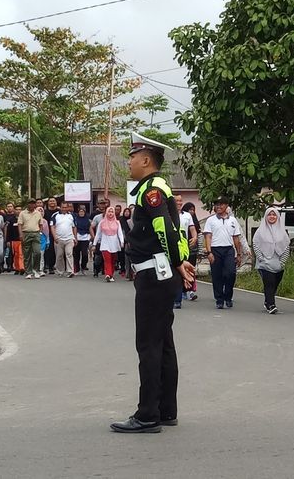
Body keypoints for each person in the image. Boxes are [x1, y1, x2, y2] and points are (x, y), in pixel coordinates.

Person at [110, 132, 195, 434]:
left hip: (153, 274)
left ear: (146, 160)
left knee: (148, 344)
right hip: (162, 273)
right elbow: (174, 229)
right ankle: (165, 409)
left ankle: (147, 415)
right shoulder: (156, 187)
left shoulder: (151, 189)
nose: (129, 162)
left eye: (132, 157)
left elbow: (165, 230)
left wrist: (175, 261)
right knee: (163, 343)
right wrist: (180, 261)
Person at [203, 197, 243, 309]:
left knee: (230, 273)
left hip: (228, 249)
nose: (218, 207)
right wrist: (209, 252)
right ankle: (219, 299)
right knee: (217, 275)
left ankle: (228, 296)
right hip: (215, 249)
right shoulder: (211, 220)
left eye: (221, 204)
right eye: (216, 204)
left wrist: (239, 254)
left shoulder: (232, 220)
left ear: (226, 206)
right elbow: (208, 237)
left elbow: (236, 238)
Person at [253, 207, 290, 314]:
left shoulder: (282, 232)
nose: (272, 217)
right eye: (269, 214)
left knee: (274, 284)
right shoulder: (260, 231)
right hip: (265, 263)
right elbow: (256, 244)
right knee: (269, 283)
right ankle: (271, 305)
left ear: (277, 217)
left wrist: (282, 262)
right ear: (266, 216)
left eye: (274, 215)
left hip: (278, 263)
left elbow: (286, 246)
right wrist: (261, 259)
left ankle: (267, 300)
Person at [174, 195, 198, 308]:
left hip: (183, 248)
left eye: (180, 201)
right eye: (176, 201)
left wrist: (195, 237)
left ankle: (179, 299)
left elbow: (192, 229)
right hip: (172, 246)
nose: (179, 203)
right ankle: (175, 296)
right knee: (174, 272)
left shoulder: (187, 215)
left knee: (181, 272)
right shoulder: (168, 214)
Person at [93, 207, 124, 282]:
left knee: (113, 260)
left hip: (114, 244)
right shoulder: (102, 222)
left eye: (112, 212)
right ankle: (108, 274)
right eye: (109, 212)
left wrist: (122, 242)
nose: (110, 214)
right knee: (107, 259)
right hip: (105, 243)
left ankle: (111, 275)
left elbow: (120, 233)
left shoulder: (117, 222)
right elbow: (98, 234)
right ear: (106, 213)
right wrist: (94, 244)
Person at [18, 199, 43, 279]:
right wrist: (21, 234)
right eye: (30, 203)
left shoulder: (38, 213)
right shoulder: (22, 213)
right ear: (27, 204)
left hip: (36, 233)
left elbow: (41, 224)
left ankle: (36, 270)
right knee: (27, 253)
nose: (32, 205)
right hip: (26, 233)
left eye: (33, 203)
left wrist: (40, 232)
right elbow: (20, 224)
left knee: (37, 252)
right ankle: (28, 271)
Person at [51, 201, 77, 278]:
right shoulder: (55, 215)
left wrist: (75, 237)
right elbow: (52, 226)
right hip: (59, 239)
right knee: (59, 255)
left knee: (69, 254)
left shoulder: (71, 215)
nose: (64, 209)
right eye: (63, 207)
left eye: (66, 207)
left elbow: (74, 227)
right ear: (60, 207)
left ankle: (70, 271)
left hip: (69, 238)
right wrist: (55, 236)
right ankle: (60, 271)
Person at [181, 202, 201, 299]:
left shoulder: (193, 221)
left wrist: (199, 250)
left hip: (192, 248)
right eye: (190, 210)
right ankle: (182, 291)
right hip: (182, 246)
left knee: (191, 268)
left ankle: (190, 291)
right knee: (181, 268)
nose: (192, 212)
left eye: (193, 210)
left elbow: (196, 234)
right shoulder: (180, 218)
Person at [90, 199, 108, 277]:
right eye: (101, 204)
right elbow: (91, 227)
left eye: (104, 204)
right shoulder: (97, 217)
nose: (102, 205)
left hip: (108, 240)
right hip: (99, 240)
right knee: (98, 257)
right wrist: (93, 236)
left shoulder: (111, 217)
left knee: (106, 257)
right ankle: (96, 271)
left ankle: (105, 271)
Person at [73, 207, 92, 275]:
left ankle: (83, 267)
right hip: (77, 238)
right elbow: (74, 228)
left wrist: (93, 237)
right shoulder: (75, 220)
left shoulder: (87, 220)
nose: (81, 213)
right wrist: (74, 238)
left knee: (85, 254)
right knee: (76, 255)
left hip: (85, 238)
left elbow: (90, 229)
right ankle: (77, 269)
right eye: (80, 212)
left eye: (82, 212)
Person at [44, 197, 59, 274]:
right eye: (50, 201)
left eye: (54, 201)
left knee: (58, 250)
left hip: (58, 233)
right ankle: (50, 266)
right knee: (49, 250)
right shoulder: (45, 212)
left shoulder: (59, 212)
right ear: (48, 203)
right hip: (47, 233)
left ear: (56, 202)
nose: (52, 202)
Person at [120, 207, 134, 281]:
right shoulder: (128, 222)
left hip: (138, 243)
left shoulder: (140, 221)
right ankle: (128, 274)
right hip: (128, 242)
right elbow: (126, 232)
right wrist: (128, 241)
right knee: (127, 259)